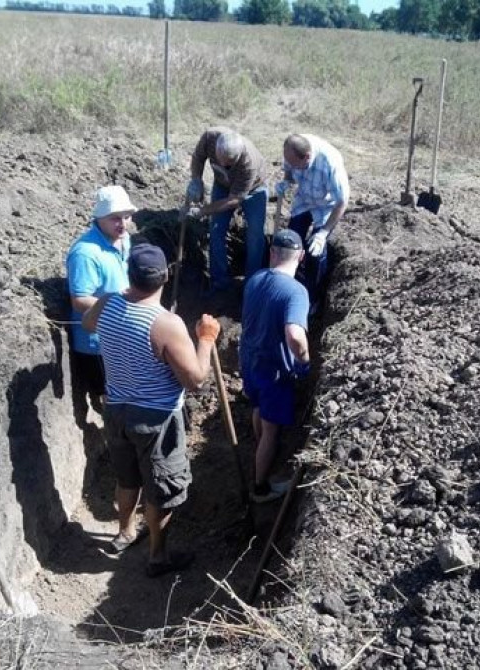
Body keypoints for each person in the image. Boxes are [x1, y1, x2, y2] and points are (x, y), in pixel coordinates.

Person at [82, 243, 220, 576]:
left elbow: (88, 323)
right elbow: (195, 379)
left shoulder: (108, 302)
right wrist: (206, 339)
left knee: (127, 477)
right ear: (165, 277)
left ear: (129, 275)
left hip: (116, 411)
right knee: (160, 487)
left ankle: (125, 532)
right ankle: (158, 558)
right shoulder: (166, 324)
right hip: (156, 419)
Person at [239, 229, 310, 503]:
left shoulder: (255, 279)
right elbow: (295, 335)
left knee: (257, 407)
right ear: (301, 257)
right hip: (274, 371)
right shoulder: (296, 292)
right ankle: (260, 488)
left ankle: (260, 448)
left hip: (250, 361)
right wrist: (304, 361)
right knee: (271, 430)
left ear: (272, 253)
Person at [66, 185, 136, 416]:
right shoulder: (86, 253)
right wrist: (121, 307)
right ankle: (113, 430)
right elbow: (79, 300)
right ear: (99, 218)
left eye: (126, 217)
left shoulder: (124, 240)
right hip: (97, 343)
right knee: (110, 396)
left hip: (121, 333)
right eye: (115, 218)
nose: (123, 223)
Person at [187, 127, 269, 293]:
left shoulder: (249, 163)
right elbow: (198, 158)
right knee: (216, 230)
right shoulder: (209, 137)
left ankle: (251, 285)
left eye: (230, 163)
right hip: (222, 185)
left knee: (255, 235)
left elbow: (233, 200)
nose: (224, 165)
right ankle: (220, 282)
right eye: (221, 160)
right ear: (216, 148)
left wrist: (203, 211)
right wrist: (196, 180)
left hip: (254, 190)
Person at [276, 133, 350, 313]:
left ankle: (313, 298)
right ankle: (290, 285)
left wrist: (323, 233)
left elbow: (342, 202)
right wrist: (286, 181)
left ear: (307, 157)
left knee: (315, 253)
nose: (291, 165)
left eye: (295, 164)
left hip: (326, 206)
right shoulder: (292, 149)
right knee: (291, 243)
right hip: (303, 200)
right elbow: (289, 171)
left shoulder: (330, 164)